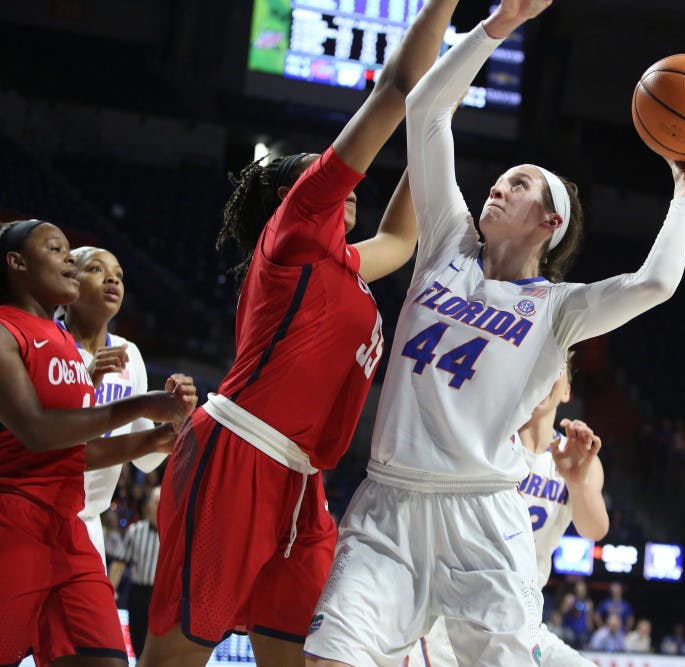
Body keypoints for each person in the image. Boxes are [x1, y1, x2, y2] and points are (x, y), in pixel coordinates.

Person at [304, 0, 685, 661]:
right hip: (390, 500)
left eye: (519, 185)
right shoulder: (447, 246)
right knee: (328, 655)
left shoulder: (558, 309)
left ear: (549, 223)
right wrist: (496, 26)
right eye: (502, 180)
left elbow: (655, 284)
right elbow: (426, 111)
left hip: (481, 514)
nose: (498, 189)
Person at [141, 0, 463, 664]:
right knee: (174, 658)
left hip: (303, 484)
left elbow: (401, 238)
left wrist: (437, 122)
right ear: (295, 194)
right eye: (328, 169)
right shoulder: (293, 232)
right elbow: (395, 88)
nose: (348, 177)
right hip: (238, 452)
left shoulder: (345, 263)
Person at [0, 219, 195, 667]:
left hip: (73, 524)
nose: (69, 261)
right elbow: (37, 432)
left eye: (120, 274)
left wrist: (163, 434)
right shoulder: (15, 332)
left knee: (103, 658)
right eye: (59, 251)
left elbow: (77, 453)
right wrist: (139, 406)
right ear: (17, 263)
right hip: (16, 514)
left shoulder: (72, 347)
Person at [406, 361, 609, 666]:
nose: (543, 371)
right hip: (457, 618)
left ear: (566, 389)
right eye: (536, 362)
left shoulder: (579, 456)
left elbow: (595, 530)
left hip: (524, 621)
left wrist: (578, 483)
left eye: (555, 365)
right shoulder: (484, 440)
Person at [60, 245, 185, 563]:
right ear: (69, 279)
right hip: (36, 510)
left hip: (89, 522)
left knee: (98, 615)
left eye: (118, 275)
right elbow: (48, 437)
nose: (112, 280)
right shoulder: (47, 341)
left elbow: (145, 463)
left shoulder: (129, 354)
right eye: (97, 270)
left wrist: (175, 422)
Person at [110, 486, 162, 659]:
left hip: (162, 596)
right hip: (138, 594)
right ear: (148, 505)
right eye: (156, 502)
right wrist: (110, 590)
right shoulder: (135, 531)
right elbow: (119, 563)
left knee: (157, 647)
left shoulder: (175, 531)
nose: (160, 506)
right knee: (137, 641)